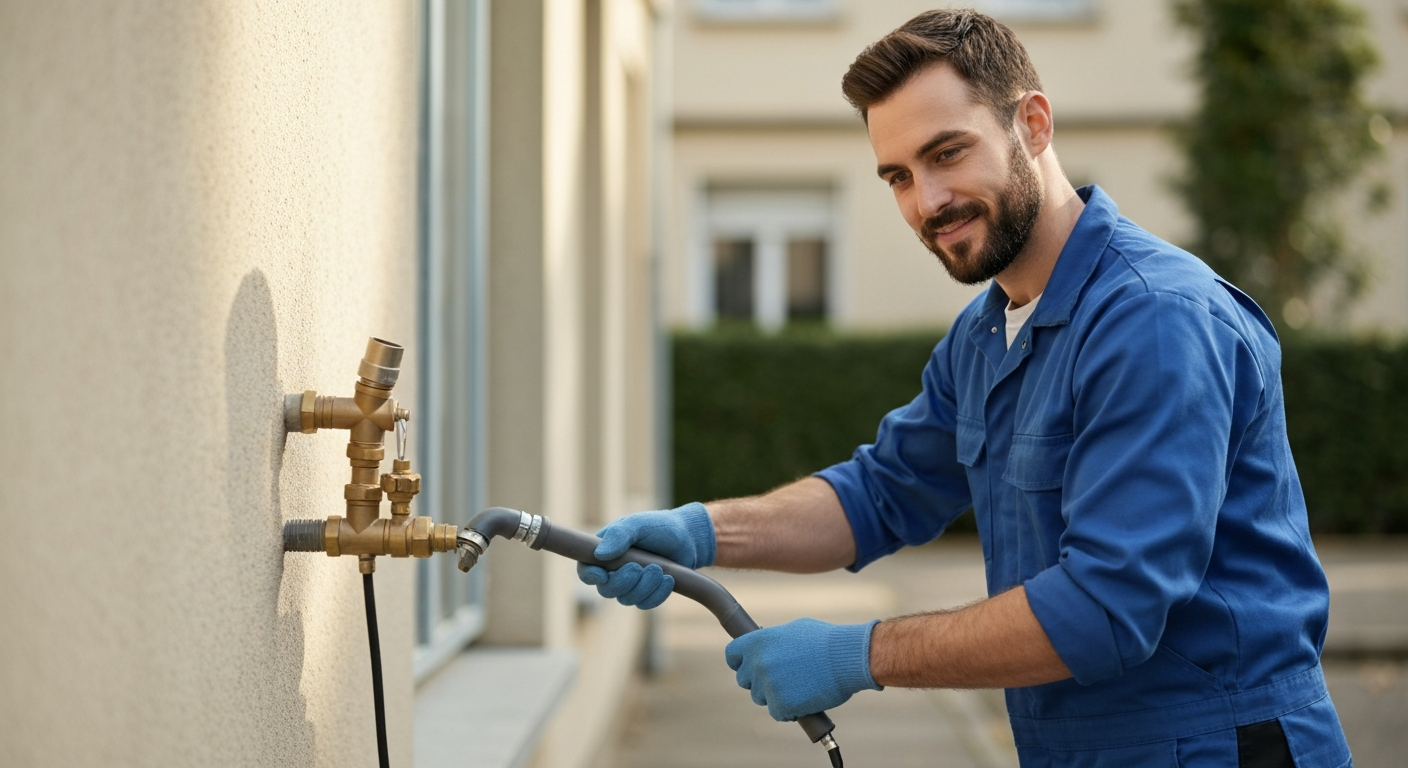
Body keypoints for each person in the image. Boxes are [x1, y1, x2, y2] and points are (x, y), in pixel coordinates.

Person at [578, 9, 1350, 767]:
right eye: (899, 177)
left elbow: (1104, 611)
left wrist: (861, 653)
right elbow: (879, 494)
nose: (927, 201)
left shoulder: (1152, 319)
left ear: (1035, 125)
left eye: (948, 153)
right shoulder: (986, 334)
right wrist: (703, 534)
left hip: (1217, 746)